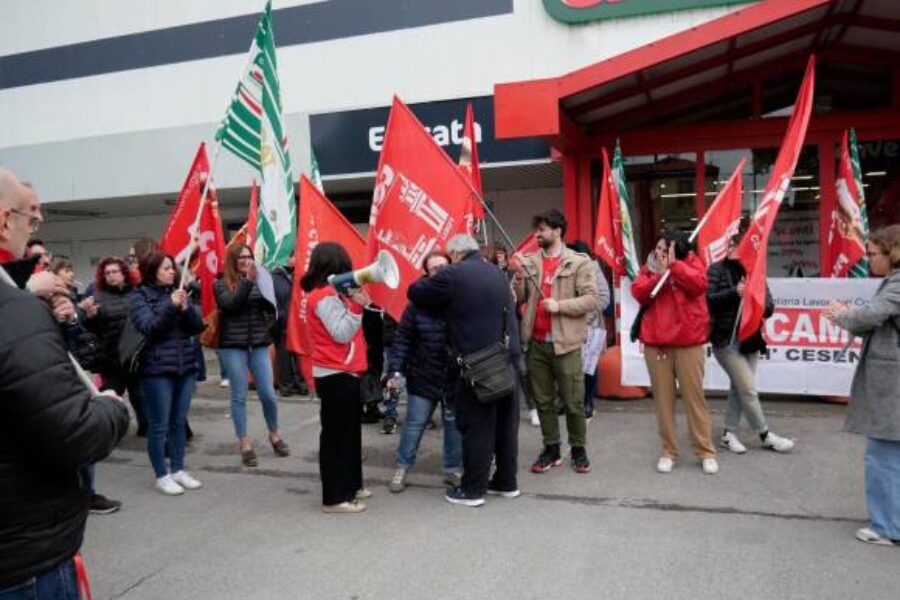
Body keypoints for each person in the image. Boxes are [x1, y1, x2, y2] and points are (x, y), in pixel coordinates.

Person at [0, 167, 130, 597]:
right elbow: (73, 432)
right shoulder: (13, 312)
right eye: (30, 219)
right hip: (24, 561)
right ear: (4, 220)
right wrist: (112, 408)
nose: (34, 231)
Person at [409, 234, 522, 507]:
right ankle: (506, 482)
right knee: (506, 425)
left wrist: (434, 275)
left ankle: (472, 490)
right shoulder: (495, 271)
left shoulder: (454, 274)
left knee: (477, 427)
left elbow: (415, 292)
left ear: (456, 254)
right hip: (508, 358)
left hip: (477, 364)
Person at [826, 225, 900, 546]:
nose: (867, 259)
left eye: (872, 253)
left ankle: (886, 527)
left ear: (892, 253)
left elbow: (868, 317)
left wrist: (844, 315)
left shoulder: (897, 284)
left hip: (891, 382)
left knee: (881, 455)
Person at [513, 210, 599, 474]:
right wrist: (517, 280)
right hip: (536, 343)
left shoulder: (579, 262)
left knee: (573, 401)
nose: (537, 234)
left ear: (558, 231)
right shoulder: (529, 262)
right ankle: (551, 447)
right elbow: (519, 300)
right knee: (543, 401)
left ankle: (578, 449)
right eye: (537, 229)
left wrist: (559, 306)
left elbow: (591, 300)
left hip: (566, 343)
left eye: (542, 229)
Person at [632, 230, 719, 475]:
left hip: (689, 343)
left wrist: (675, 267)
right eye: (658, 248)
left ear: (677, 249)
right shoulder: (649, 268)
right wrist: (658, 275)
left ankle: (705, 451)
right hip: (657, 344)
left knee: (694, 398)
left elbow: (699, 284)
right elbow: (639, 293)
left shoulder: (691, 263)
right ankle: (669, 451)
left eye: (666, 249)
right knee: (663, 400)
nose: (660, 253)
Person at [301, 242, 372, 514]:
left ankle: (352, 485)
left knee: (349, 434)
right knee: (336, 437)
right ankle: (334, 497)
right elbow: (341, 333)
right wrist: (356, 307)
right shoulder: (324, 297)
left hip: (343, 371)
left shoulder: (329, 294)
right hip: (336, 373)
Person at [707, 235, 794, 454]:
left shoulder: (756, 272)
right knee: (748, 389)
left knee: (740, 388)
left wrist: (754, 297)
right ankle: (765, 434)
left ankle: (728, 433)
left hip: (750, 340)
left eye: (736, 245)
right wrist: (733, 293)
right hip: (725, 340)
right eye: (729, 244)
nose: (731, 248)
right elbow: (707, 300)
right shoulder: (716, 270)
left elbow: (769, 307)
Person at [387, 251, 463, 493]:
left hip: (454, 375)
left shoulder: (462, 299)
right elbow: (402, 339)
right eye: (434, 269)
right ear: (427, 274)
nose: (440, 272)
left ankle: (453, 469)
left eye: (444, 267)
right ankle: (402, 466)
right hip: (423, 374)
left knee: (453, 426)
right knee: (414, 425)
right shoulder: (417, 304)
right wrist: (395, 370)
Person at [131, 252, 206, 495]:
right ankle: (161, 475)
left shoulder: (178, 293)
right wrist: (170, 306)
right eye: (166, 268)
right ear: (152, 270)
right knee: (159, 425)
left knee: (178, 423)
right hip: (157, 369)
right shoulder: (139, 297)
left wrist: (185, 309)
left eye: (172, 268)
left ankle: (178, 469)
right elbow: (150, 328)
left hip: (184, 366)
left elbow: (196, 328)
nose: (172, 272)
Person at [214, 243, 290, 467]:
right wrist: (247, 281)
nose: (246, 260)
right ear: (232, 261)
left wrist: (266, 324)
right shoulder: (220, 284)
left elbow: (270, 307)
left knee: (268, 393)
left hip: (258, 344)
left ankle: (274, 434)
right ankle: (244, 443)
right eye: (241, 258)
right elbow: (232, 305)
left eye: (249, 256)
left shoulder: (259, 280)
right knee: (239, 396)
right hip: (232, 346)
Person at [87, 256, 147, 436]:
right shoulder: (96, 297)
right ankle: (107, 433)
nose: (111, 276)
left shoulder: (138, 294)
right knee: (110, 399)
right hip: (111, 359)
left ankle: (146, 428)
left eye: (115, 272)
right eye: (107, 273)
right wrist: (90, 317)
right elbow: (91, 331)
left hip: (136, 357)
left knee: (141, 398)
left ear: (124, 273)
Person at [568, 240, 611, 422]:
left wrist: (585, 316)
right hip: (569, 326)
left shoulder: (593, 269)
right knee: (569, 368)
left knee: (589, 369)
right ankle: (568, 401)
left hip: (591, 327)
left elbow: (604, 298)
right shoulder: (568, 270)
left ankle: (588, 402)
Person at [271, 256, 307, 397]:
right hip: (284, 322)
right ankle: (287, 385)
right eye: (295, 255)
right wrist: (280, 316)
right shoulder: (275, 278)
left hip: (299, 322)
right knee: (284, 355)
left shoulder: (301, 274)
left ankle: (301, 383)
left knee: (299, 355)